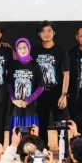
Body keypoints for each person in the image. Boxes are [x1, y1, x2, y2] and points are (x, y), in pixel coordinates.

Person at [31, 20, 70, 152]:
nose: (46, 34)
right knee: (41, 123)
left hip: (57, 92)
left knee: (61, 124)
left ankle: (64, 151)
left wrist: (64, 95)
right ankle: (42, 150)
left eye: (49, 31)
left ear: (54, 33)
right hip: (39, 93)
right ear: (39, 34)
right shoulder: (34, 51)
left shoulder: (61, 51)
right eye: (43, 31)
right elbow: (21, 59)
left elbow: (66, 74)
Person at [7, 38, 44, 145]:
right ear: (16, 49)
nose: (22, 50)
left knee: (31, 139)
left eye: (25, 47)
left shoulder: (35, 66)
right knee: (16, 137)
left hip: (30, 108)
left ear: (29, 48)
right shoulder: (13, 66)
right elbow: (9, 85)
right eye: (20, 48)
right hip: (16, 108)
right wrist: (14, 100)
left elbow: (41, 87)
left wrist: (27, 101)